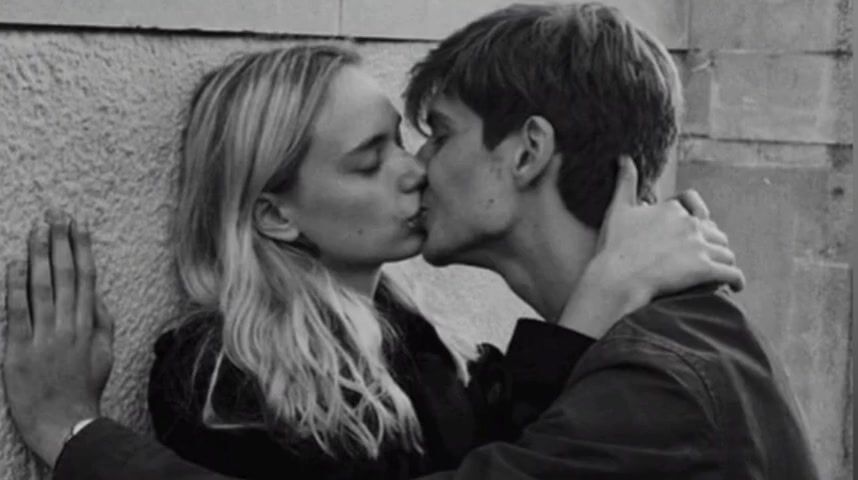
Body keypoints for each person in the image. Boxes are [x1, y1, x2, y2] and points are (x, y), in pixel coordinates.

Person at [5, 2, 817, 479]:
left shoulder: (646, 387)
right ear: (275, 214)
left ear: (526, 154)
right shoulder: (223, 379)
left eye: (432, 135)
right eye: (374, 157)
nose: (416, 168)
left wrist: (72, 435)